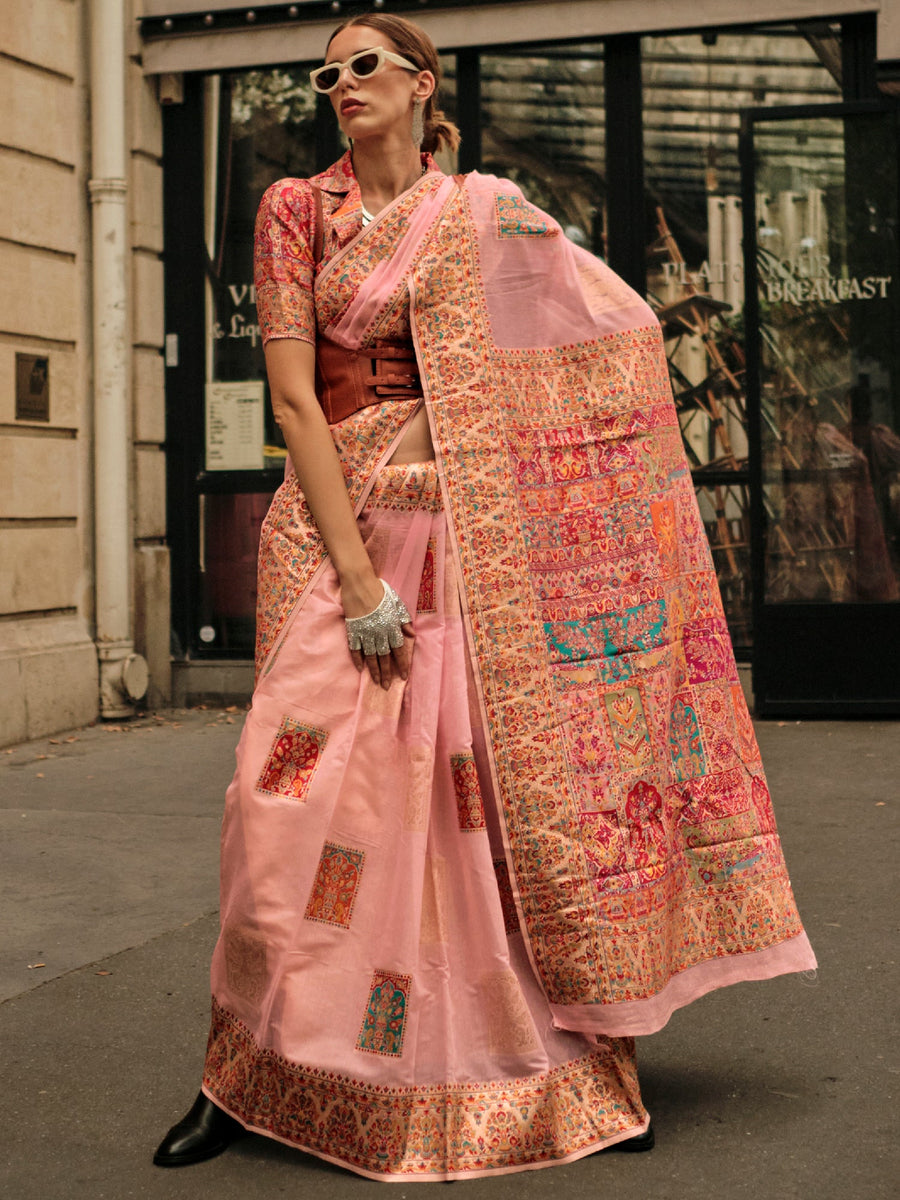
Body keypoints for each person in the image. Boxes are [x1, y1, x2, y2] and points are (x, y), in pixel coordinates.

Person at [154, 13, 816, 1181]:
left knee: (472, 808)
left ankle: (562, 1057)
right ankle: (242, 1071)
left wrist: (514, 434)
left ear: (420, 86)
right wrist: (358, 580)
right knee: (280, 811)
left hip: (464, 535)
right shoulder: (297, 211)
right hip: (332, 535)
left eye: (365, 66)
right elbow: (297, 404)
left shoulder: (482, 211)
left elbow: (610, 325)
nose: (341, 85)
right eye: (328, 72)